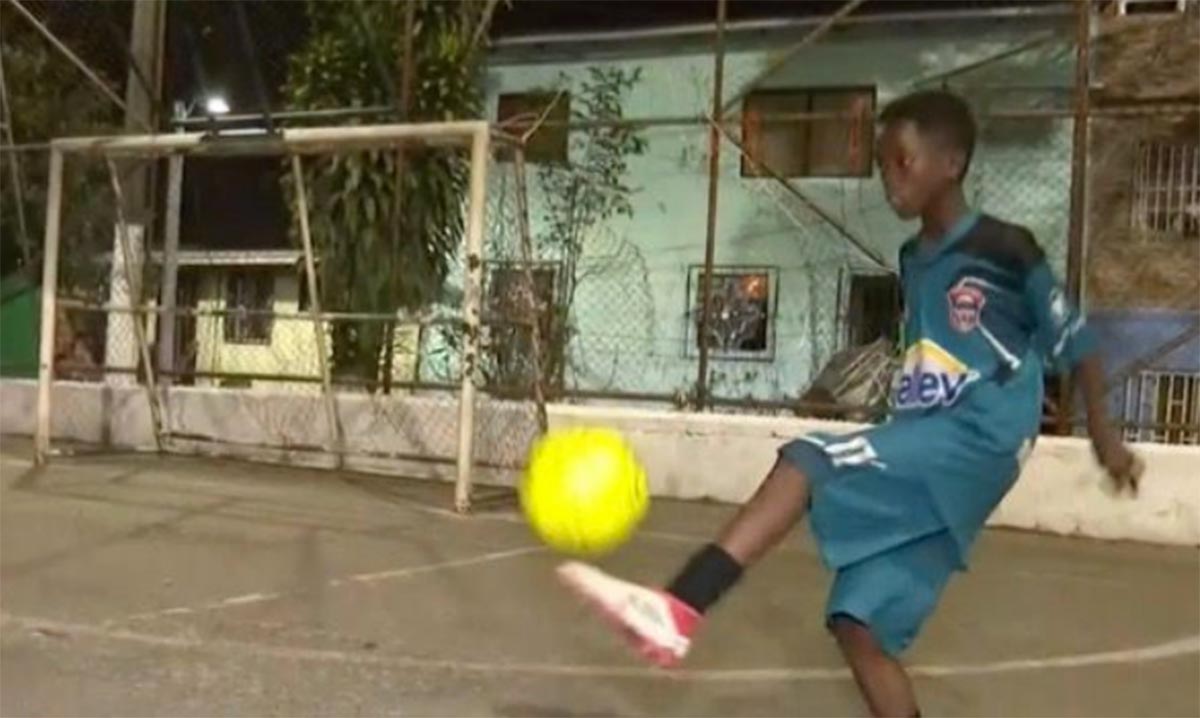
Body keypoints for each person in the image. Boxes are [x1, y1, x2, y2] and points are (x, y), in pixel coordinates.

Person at [555, 90, 1143, 718]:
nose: (889, 178)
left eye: (903, 161)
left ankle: (678, 608)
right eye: (882, 164)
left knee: (807, 459)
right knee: (859, 624)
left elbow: (1078, 342)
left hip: (979, 433)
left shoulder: (1005, 248)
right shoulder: (913, 258)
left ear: (952, 163)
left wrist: (1104, 439)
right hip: (929, 441)